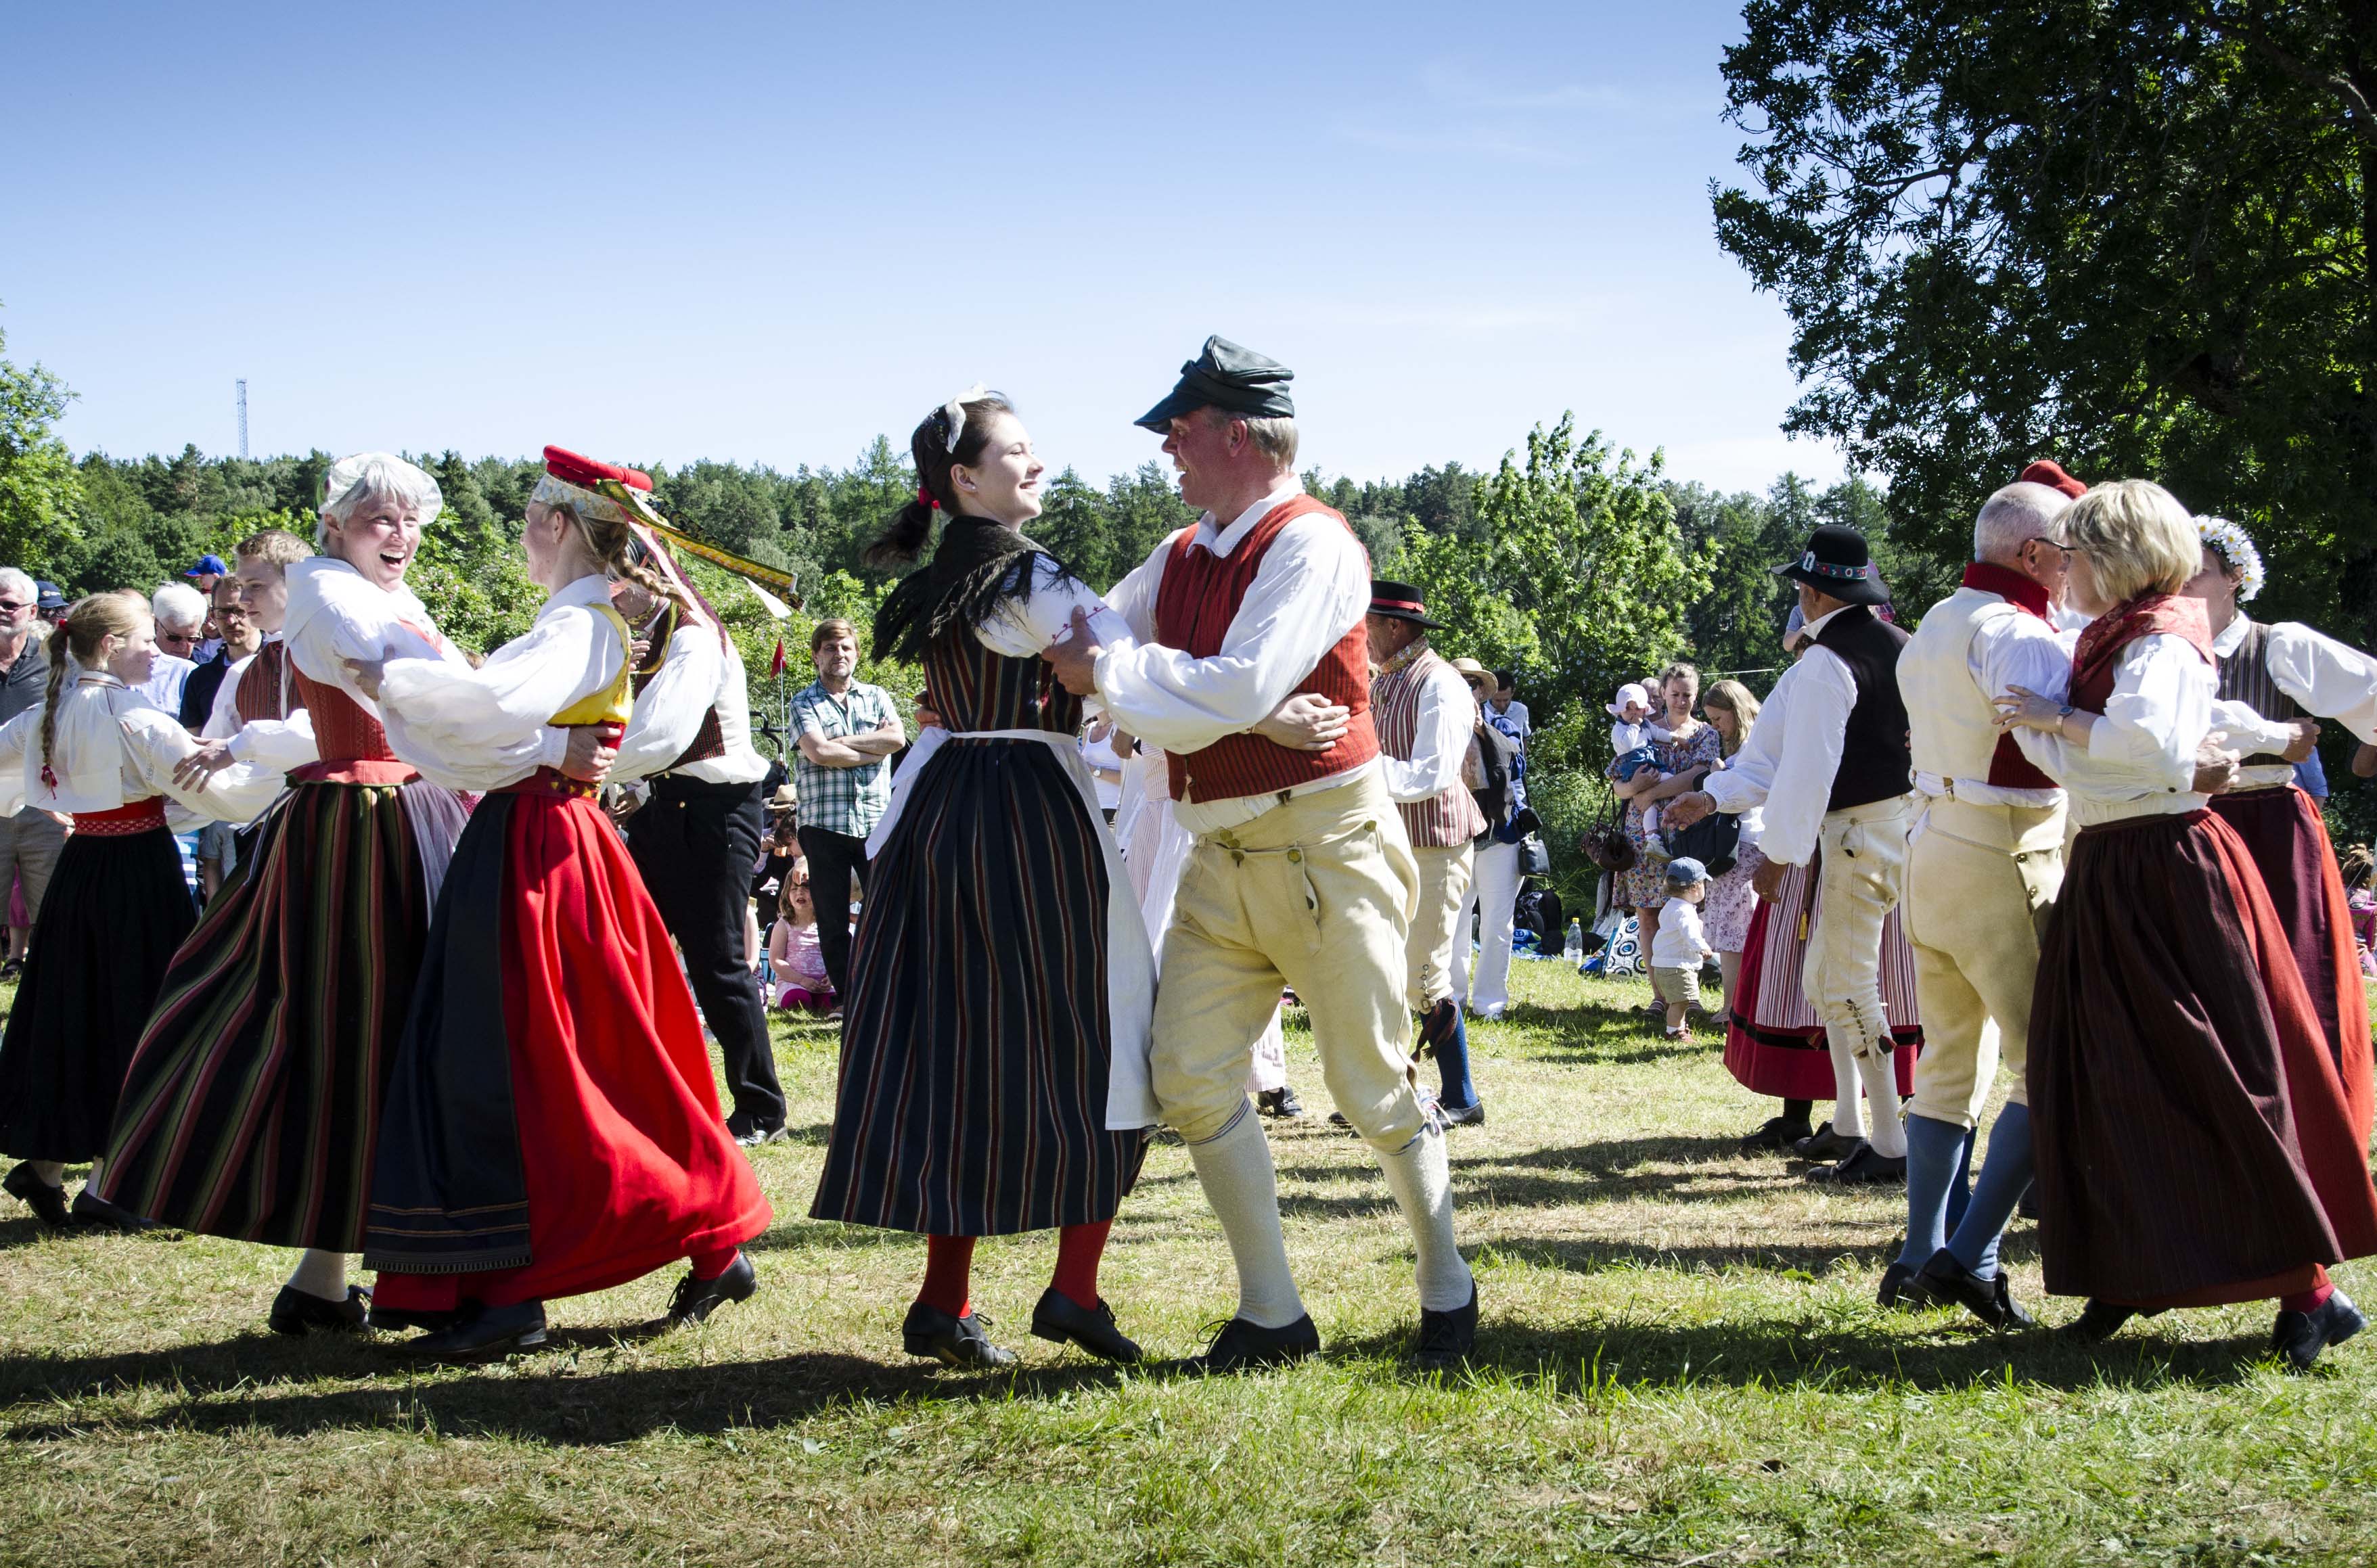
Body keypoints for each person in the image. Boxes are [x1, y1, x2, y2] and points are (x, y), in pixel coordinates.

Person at [1041, 335, 1476, 1371]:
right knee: (1188, 1076)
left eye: (1179, 431)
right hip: (1220, 851)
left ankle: (1446, 1279)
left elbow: (1230, 686)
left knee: (1369, 1088)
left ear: (1238, 433)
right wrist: (1127, 670)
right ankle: (1272, 1315)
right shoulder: (1184, 549)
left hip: (1325, 844)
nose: (1166, 451)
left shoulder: (1314, 543)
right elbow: (1110, 627)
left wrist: (1114, 674)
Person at [350, 446, 771, 1356]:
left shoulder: (576, 627)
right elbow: (514, 729)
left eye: (525, 523)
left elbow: (489, 716)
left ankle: (517, 1291)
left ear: (554, 526)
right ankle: (686, 1244)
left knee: (527, 1061)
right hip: (541, 837)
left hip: (540, 849)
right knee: (563, 1057)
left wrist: (384, 674)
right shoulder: (579, 624)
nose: (521, 540)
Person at [810, 389, 1156, 1368]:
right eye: (1017, 451)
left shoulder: (945, 579)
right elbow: (1120, 666)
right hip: (1026, 812)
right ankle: (1073, 1287)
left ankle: (943, 1300)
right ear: (965, 480)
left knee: (963, 1044)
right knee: (1106, 1027)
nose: (1035, 463)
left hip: (944, 809)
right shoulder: (1029, 574)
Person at [1997, 479, 2377, 1368]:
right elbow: (2078, 755)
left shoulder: (2161, 640)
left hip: (2168, 870)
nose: (2062, 571)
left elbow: (2150, 751)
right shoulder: (2118, 635)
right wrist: (2063, 731)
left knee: (2212, 1076)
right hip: (2114, 862)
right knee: (2113, 1076)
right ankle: (2130, 1275)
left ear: (2117, 556)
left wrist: (2062, 722)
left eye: (2075, 554)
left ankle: (2310, 1293)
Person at [95, 478, 486, 1331]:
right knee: (357, 1029)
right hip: (359, 826)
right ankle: (363, 1265)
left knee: (374, 1034)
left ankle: (324, 1278)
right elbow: (392, 700)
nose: (401, 533)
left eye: (411, 520)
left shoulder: (373, 593)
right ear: (337, 526)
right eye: (382, 518)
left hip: (395, 813)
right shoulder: (326, 592)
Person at [0, 592, 279, 1228]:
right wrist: (286, 762)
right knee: (144, 1012)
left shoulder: (50, 709)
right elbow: (225, 795)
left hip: (81, 872)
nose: (155, 652)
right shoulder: (135, 716)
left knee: (74, 1010)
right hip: (138, 876)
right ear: (109, 647)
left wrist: (49, 798)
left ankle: (47, 1166)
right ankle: (110, 1185)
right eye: (145, 641)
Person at [1881, 478, 2077, 1324]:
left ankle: (1919, 1248)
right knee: (2050, 1059)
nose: (2076, 569)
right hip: (2001, 847)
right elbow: (2060, 748)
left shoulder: (1937, 617)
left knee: (1950, 1059)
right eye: (2069, 552)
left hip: (1929, 844)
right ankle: (1973, 1252)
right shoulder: (2016, 630)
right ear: (2034, 554)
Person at [1667, 526, 1918, 1184]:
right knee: (1828, 977)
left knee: (1848, 981)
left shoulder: (1825, 665)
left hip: (1857, 831)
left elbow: (1802, 768)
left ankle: (1890, 1144)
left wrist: (1780, 853)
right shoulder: (1901, 647)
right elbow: (1776, 753)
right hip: (1898, 827)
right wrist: (1714, 795)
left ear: (1809, 591)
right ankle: (1853, 1125)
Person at [603, 522, 788, 1149]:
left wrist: (581, 763)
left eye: (615, 578)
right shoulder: (645, 637)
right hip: (662, 808)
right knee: (638, 953)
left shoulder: (694, 636)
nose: (609, 593)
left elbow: (662, 735)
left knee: (718, 963)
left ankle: (760, 1107)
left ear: (646, 571)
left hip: (720, 809)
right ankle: (649, 1098)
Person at [2184, 514, 2377, 1090]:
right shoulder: (2159, 652)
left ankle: (2313, 1099)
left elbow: (2369, 691)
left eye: (2199, 573)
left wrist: (2366, 748)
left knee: (2295, 968)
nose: (2183, 586)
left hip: (2269, 824)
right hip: (2189, 823)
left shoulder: (2276, 646)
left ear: (2235, 577)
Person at [1365, 580, 1488, 1124]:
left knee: (1422, 976)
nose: (1358, 635)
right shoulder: (1382, 680)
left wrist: (1353, 772)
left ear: (1394, 626)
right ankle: (1387, 1093)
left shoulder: (1440, 683)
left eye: (1364, 624)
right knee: (1380, 969)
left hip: (1436, 843)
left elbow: (1431, 776)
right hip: (1387, 840)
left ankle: (1462, 1097)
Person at [790, 618, 902, 1001]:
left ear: (856, 654)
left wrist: (841, 743)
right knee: (833, 922)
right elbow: (818, 752)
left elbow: (897, 738)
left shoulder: (877, 695)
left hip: (875, 821)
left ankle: (889, 994)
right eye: (830, 648)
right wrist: (870, 749)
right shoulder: (803, 701)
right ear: (816, 655)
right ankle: (851, 999)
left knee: (887, 914)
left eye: (845, 648)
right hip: (823, 825)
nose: (839, 654)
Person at [1451, 658, 1523, 1021]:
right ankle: (1451, 999)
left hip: (1500, 836)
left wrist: (1482, 731)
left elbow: (1514, 766)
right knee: (1454, 921)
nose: (1468, 689)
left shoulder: (1503, 725)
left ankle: (1489, 1004)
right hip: (1454, 835)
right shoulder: (1439, 725)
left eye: (1474, 684)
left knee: (1497, 922)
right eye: (1460, 682)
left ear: (1484, 691)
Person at [0, 568, 60, 982]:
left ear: (33, 611)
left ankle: (45, 998)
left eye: (9, 604)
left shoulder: (54, 661)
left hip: (42, 804)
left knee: (51, 909)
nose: (0, 612)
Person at [1694, 680, 1765, 1019]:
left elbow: (1741, 795)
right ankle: (1735, 1005)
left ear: (1736, 710)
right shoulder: (1749, 746)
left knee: (1737, 931)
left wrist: (1719, 775)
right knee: (1731, 929)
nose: (1715, 725)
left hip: (1746, 845)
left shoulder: (1752, 748)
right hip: (1741, 846)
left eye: (1718, 717)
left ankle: (1733, 1007)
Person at [1648, 858, 1717, 1042]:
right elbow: (1689, 932)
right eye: (1703, 883)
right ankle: (1674, 1032)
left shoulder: (1672, 906)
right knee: (1681, 1001)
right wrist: (1701, 946)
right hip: (1678, 966)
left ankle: (1679, 1027)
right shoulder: (1685, 911)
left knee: (1678, 1000)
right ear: (1694, 887)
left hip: (1664, 965)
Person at [178, 577, 250, 733]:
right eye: (223, 612)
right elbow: (194, 744)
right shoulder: (200, 679)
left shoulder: (281, 666)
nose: (231, 621)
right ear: (212, 614)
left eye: (240, 611)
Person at [767, 866, 836, 1015]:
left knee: (833, 1003)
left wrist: (832, 977)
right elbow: (776, 960)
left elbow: (838, 956)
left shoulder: (827, 925)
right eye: (794, 889)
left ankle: (819, 999)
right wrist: (802, 980)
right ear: (787, 894)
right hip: (792, 982)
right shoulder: (784, 925)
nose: (799, 892)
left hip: (822, 984)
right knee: (798, 999)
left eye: (806, 888)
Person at [137, 582, 205, 716]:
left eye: (192, 639)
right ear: (156, 624)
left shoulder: (205, 670)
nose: (183, 645)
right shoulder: (135, 666)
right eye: (174, 638)